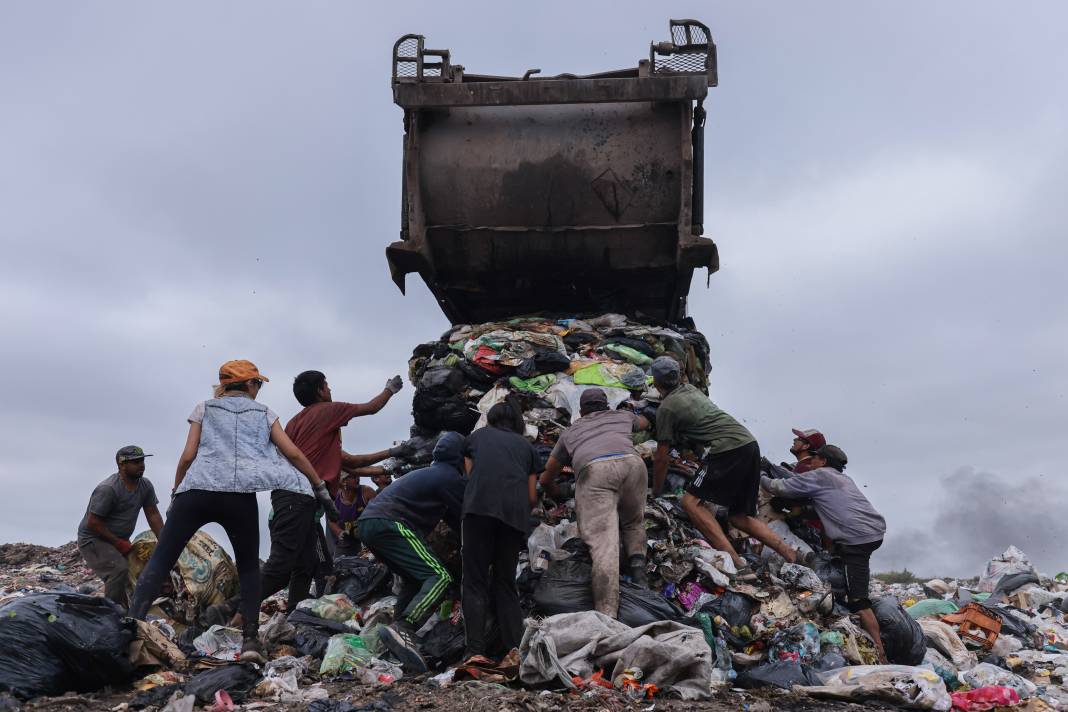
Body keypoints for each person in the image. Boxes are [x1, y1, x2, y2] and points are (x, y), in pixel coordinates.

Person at [127, 360, 335, 665]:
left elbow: (188, 456)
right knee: (249, 568)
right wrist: (318, 486)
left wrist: (176, 492)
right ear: (250, 384)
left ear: (224, 385)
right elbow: (291, 453)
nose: (258, 390)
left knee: (161, 559)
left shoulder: (204, 408)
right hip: (238, 496)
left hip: (196, 491)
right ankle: (250, 641)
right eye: (258, 384)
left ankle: (131, 631)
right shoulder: (264, 413)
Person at [256, 370, 406, 616]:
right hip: (298, 501)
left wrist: (392, 457)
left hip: (294, 503)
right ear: (320, 390)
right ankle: (235, 610)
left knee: (311, 565)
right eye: (327, 385)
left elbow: (352, 462)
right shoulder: (329, 411)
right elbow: (371, 408)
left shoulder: (297, 424)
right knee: (282, 566)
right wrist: (390, 389)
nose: (330, 389)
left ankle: (297, 615)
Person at [649, 356, 797, 580]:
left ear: (656, 382)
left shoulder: (666, 409)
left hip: (727, 449)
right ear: (678, 377)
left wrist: (656, 491)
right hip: (749, 444)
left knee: (691, 503)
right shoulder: (690, 390)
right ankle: (791, 555)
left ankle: (736, 564)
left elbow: (661, 456)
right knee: (738, 516)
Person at [760, 444, 888, 662]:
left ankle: (880, 652)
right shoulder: (843, 479)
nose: (812, 461)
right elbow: (826, 505)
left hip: (856, 540)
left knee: (858, 600)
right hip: (873, 532)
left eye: (816, 458)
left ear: (824, 462)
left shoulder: (820, 476)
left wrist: (760, 473)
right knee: (846, 583)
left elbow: (778, 487)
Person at [357, 432, 467, 673]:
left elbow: (451, 516)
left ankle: (395, 642)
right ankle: (404, 627)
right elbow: (465, 518)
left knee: (415, 579)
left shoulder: (431, 473)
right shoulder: (450, 476)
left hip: (370, 524)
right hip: (391, 523)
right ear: (461, 458)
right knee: (439, 577)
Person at [540, 388, 650, 618]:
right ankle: (640, 575)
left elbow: (547, 475)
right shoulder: (622, 416)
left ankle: (607, 614)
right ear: (607, 405)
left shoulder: (570, 432)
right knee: (633, 522)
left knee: (604, 546)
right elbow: (645, 422)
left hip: (596, 472)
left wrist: (556, 491)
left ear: (580, 411)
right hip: (633, 465)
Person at [461, 402, 539, 661]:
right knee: (505, 583)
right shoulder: (527, 447)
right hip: (514, 518)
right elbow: (531, 496)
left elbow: (470, 476)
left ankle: (475, 652)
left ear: (491, 419)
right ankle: (514, 651)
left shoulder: (476, 438)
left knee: (474, 582)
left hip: (478, 512)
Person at [76, 446, 164, 609]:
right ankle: (110, 615)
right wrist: (118, 543)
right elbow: (93, 522)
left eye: (142, 461)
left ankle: (125, 612)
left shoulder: (145, 486)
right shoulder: (108, 489)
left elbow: (153, 514)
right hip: (94, 539)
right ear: (122, 465)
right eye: (135, 462)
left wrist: (165, 542)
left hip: (118, 538)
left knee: (136, 573)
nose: (141, 465)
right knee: (118, 569)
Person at [331, 472, 378, 556]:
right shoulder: (335, 498)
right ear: (343, 481)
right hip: (347, 541)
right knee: (341, 565)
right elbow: (331, 520)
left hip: (370, 537)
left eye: (358, 476)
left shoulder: (367, 492)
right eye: (354, 476)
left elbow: (379, 514)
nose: (358, 478)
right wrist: (339, 532)